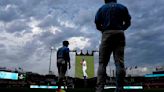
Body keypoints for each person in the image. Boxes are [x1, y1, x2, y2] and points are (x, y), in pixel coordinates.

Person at [95, 0, 131, 92]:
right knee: (119, 62)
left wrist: (103, 30)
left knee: (102, 63)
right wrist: (122, 29)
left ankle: (100, 89)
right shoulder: (122, 7)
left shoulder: (102, 8)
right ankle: (119, 88)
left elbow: (97, 24)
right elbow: (128, 22)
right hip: (119, 32)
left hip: (107, 32)